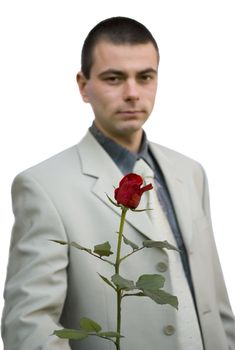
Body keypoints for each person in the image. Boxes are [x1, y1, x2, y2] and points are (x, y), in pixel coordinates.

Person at [1, 16, 235, 350]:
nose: (132, 93)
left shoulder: (190, 173)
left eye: (145, 77)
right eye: (114, 78)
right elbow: (28, 327)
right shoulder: (43, 187)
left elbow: (216, 302)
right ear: (83, 86)